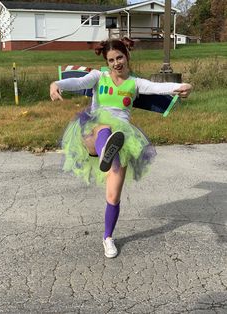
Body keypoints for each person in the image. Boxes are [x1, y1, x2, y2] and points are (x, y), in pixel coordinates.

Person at [50, 37, 192, 258]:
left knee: (113, 196)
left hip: (122, 140)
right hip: (93, 130)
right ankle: (105, 146)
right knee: (104, 126)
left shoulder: (134, 83)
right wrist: (57, 84)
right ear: (106, 63)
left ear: (127, 56)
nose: (116, 63)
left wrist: (182, 86)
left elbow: (157, 87)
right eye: (111, 60)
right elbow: (78, 83)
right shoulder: (99, 77)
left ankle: (107, 238)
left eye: (119, 58)